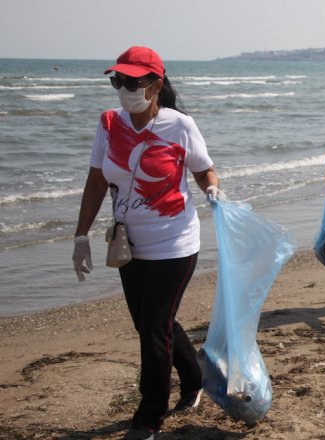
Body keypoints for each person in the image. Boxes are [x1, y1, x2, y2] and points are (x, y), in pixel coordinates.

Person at [71, 46, 223, 440]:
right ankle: (193, 377)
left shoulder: (180, 125)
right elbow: (96, 182)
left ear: (155, 85)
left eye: (132, 82)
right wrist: (81, 235)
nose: (123, 88)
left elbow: (205, 170)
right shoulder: (108, 123)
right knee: (153, 323)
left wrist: (212, 193)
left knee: (153, 327)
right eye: (117, 80)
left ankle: (150, 413)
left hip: (175, 243)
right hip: (128, 244)